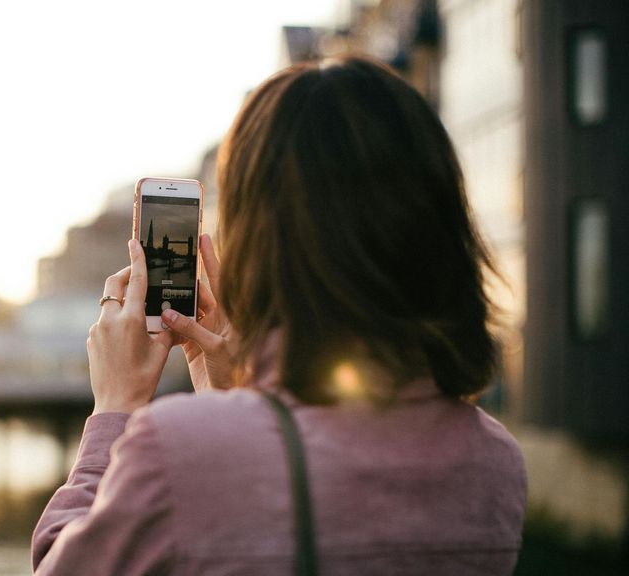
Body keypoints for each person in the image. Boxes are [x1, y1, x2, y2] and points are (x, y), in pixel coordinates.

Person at [32, 56, 527, 575]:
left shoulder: (177, 448)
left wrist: (116, 405)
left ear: (258, 236)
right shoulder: (494, 462)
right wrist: (238, 399)